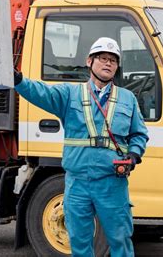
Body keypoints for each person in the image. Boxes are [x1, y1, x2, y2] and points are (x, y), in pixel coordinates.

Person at [14, 37, 149, 257]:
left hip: (112, 183)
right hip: (77, 184)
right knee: (78, 241)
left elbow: (139, 134)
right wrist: (19, 81)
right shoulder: (69, 95)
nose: (108, 64)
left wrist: (133, 155)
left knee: (120, 240)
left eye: (113, 61)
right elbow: (41, 92)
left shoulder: (128, 99)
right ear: (89, 61)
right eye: (103, 58)